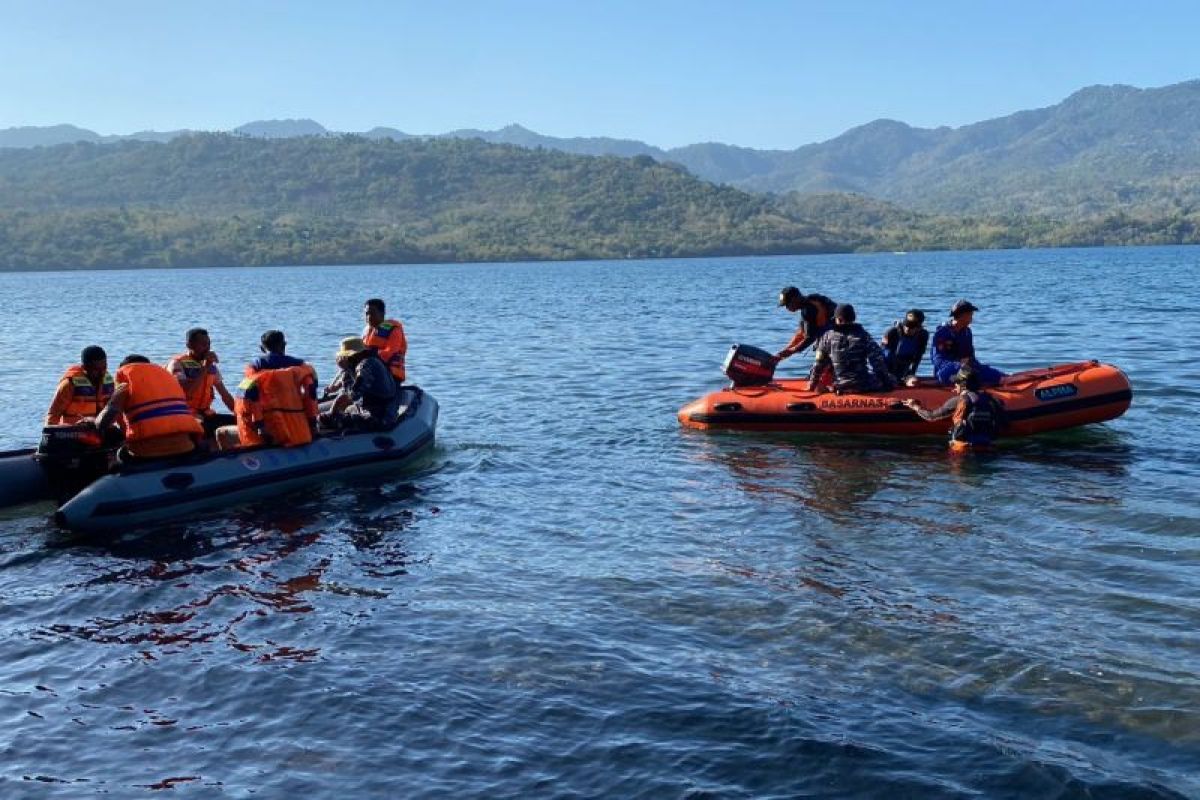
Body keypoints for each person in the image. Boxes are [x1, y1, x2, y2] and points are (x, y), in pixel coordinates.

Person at [95, 355, 203, 461]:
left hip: (146, 454)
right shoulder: (171, 382)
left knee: (118, 454)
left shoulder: (126, 386)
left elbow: (102, 423)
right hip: (185, 447)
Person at [902, 367, 1005, 451]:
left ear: (963, 385)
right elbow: (1003, 423)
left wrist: (915, 406)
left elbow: (931, 416)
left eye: (956, 382)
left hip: (964, 450)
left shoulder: (958, 401)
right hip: (987, 448)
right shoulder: (991, 400)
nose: (955, 385)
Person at [808, 304, 897, 394]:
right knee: (893, 379)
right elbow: (877, 362)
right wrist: (887, 384)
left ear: (838, 319)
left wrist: (812, 384)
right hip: (863, 384)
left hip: (840, 384)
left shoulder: (827, 337)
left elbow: (818, 364)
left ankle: (832, 390)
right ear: (853, 319)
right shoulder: (863, 336)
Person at [319, 337, 402, 431]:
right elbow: (349, 389)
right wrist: (346, 370)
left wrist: (333, 410)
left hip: (381, 415)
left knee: (328, 420)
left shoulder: (366, 366)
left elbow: (354, 394)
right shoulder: (364, 362)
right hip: (372, 408)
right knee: (334, 416)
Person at [166, 328, 237, 437]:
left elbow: (225, 394)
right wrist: (205, 368)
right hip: (185, 415)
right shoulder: (177, 364)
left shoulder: (211, 366)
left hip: (206, 414)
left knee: (239, 422)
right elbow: (187, 391)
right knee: (201, 428)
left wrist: (239, 413)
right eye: (203, 344)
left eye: (209, 344)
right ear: (189, 345)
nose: (207, 348)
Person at [930, 300, 1005, 386]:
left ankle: (1000, 379)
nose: (972, 318)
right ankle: (964, 387)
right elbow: (938, 360)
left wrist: (974, 365)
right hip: (947, 372)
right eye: (970, 315)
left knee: (992, 374)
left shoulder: (967, 332)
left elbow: (970, 357)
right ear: (962, 315)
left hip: (966, 368)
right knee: (968, 371)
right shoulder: (942, 333)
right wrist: (958, 364)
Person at [46, 345, 115, 425]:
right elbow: (54, 414)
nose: (101, 373)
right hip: (73, 431)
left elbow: (116, 410)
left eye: (104, 367)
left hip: (99, 430)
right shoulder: (69, 384)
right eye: (96, 369)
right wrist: (50, 434)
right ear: (84, 367)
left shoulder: (108, 382)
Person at [775, 286, 837, 363]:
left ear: (795, 299)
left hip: (836, 339)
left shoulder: (808, 310)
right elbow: (802, 333)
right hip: (837, 337)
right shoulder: (813, 300)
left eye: (787, 304)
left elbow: (810, 337)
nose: (787, 308)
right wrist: (787, 349)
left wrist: (792, 350)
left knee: (819, 363)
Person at [362, 298, 407, 383]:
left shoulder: (394, 330)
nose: (369, 317)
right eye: (366, 314)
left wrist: (365, 356)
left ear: (382, 314)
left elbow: (389, 353)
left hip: (390, 375)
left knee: (367, 362)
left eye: (372, 313)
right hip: (370, 372)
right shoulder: (366, 332)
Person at [881, 309, 929, 384]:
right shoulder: (892, 333)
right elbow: (884, 355)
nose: (907, 328)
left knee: (913, 382)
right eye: (906, 324)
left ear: (919, 327)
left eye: (912, 327)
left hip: (904, 368)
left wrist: (912, 373)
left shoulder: (923, 335)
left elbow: (918, 356)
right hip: (887, 367)